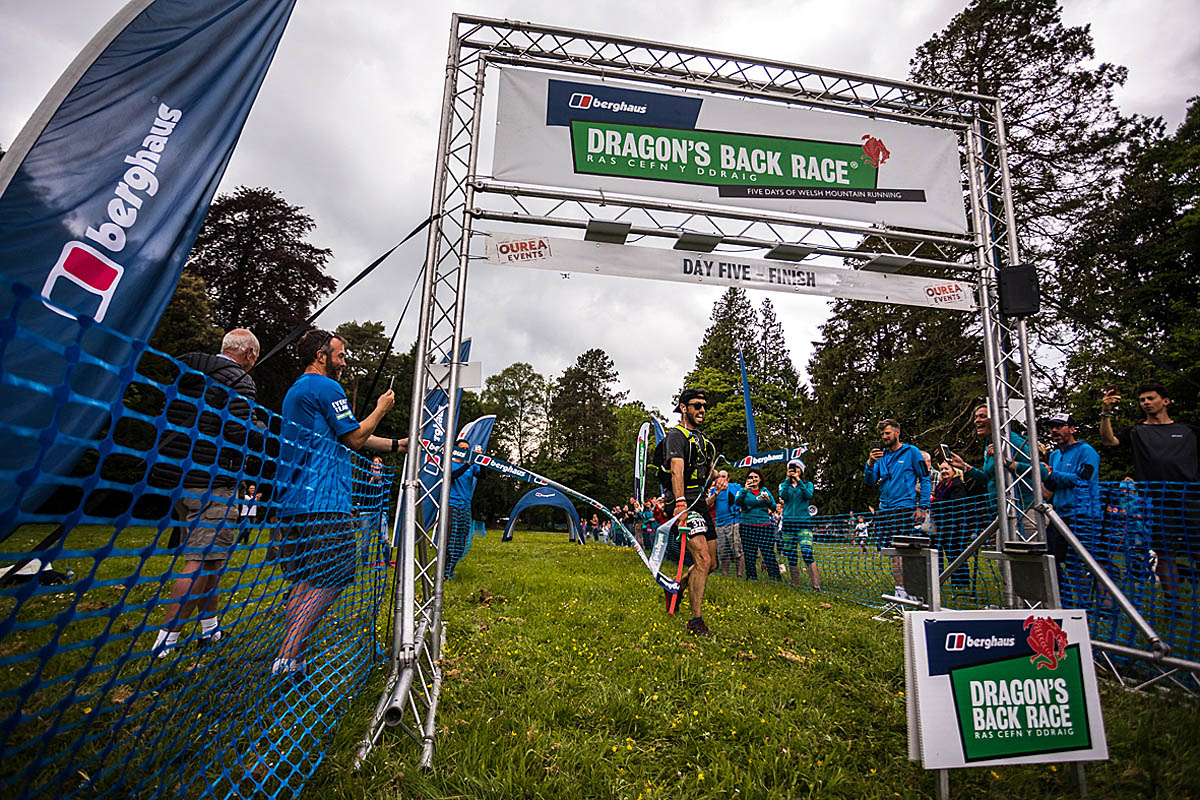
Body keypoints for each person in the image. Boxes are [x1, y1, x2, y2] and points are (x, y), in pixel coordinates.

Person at [272, 329, 407, 676]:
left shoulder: (297, 390)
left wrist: (397, 445)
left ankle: (291, 657)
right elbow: (356, 438)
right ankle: (287, 657)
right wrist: (381, 408)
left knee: (306, 579)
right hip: (323, 502)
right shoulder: (326, 387)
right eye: (340, 355)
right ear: (321, 356)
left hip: (294, 502)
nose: (344, 363)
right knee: (337, 572)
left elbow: (348, 436)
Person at [151, 329, 261, 658]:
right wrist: (261, 427)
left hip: (179, 477)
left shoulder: (188, 372)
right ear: (249, 354)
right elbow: (240, 431)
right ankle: (165, 641)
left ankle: (210, 629)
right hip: (214, 481)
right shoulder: (240, 381)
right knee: (200, 561)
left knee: (212, 559)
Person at [1100, 381, 1200, 602]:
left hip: (1192, 499)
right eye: (1142, 400)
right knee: (1165, 553)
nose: (1145, 402)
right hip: (1158, 502)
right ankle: (1173, 607)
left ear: (1166, 401)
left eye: (1150, 398)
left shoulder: (1189, 431)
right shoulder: (1137, 431)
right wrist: (1105, 413)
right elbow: (1109, 441)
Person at [661, 388, 718, 636]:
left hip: (701, 502)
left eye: (704, 406)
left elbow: (706, 471)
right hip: (683, 501)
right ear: (684, 408)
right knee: (702, 559)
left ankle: (676, 588)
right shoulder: (676, 436)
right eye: (697, 405)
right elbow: (677, 470)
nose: (702, 410)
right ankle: (696, 621)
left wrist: (718, 478)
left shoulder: (702, 440)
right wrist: (680, 503)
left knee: (711, 563)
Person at [863, 419, 930, 599]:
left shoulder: (912, 452)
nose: (884, 437)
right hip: (885, 509)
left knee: (907, 550)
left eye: (887, 433)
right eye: (882, 434)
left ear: (897, 432)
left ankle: (914, 591)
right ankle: (900, 591)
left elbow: (925, 479)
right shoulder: (881, 457)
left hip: (905, 508)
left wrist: (923, 506)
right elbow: (870, 481)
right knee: (892, 550)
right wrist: (870, 463)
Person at [1041, 414, 1102, 606]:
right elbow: (1051, 484)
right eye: (1052, 427)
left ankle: (1086, 605)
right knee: (1049, 558)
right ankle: (1063, 601)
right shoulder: (1054, 455)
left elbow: (1083, 479)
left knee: (1080, 562)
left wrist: (1052, 474)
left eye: (1059, 426)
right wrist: (1042, 475)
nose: (1054, 430)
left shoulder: (1086, 451)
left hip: (1084, 514)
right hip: (1060, 515)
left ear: (1072, 429)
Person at [445, 439, 484, 579]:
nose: (465, 451)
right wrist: (468, 463)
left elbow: (482, 476)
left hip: (466, 506)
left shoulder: (471, 467)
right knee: (451, 539)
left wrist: (482, 461)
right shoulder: (450, 464)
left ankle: (451, 569)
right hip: (452, 505)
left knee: (461, 541)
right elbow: (452, 476)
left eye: (467, 449)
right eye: (462, 448)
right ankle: (444, 571)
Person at [779, 460, 819, 589]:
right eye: (792, 467)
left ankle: (816, 585)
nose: (794, 469)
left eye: (797, 468)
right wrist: (787, 479)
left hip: (803, 523)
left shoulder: (808, 484)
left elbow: (808, 495)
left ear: (801, 470)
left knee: (807, 552)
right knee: (791, 555)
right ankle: (794, 583)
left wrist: (799, 481)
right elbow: (783, 495)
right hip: (788, 524)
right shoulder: (784, 485)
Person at [930, 462, 970, 590]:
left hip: (955, 526)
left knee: (955, 554)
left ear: (954, 470)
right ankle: (938, 579)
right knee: (938, 554)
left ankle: (961, 584)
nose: (943, 471)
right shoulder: (940, 486)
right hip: (941, 525)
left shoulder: (957, 485)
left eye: (946, 469)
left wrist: (934, 501)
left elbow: (953, 504)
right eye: (941, 469)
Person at [736, 468, 780, 582]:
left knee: (768, 553)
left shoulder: (765, 491)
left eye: (756, 477)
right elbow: (737, 502)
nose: (753, 479)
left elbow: (773, 507)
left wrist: (768, 500)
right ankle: (751, 578)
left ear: (760, 479)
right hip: (747, 525)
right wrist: (745, 489)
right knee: (749, 553)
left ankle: (775, 578)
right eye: (750, 477)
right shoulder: (743, 491)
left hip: (764, 525)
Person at [706, 469, 744, 578]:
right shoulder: (714, 490)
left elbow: (743, 496)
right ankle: (725, 574)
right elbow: (708, 504)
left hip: (733, 522)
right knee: (723, 552)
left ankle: (739, 574)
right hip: (719, 524)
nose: (721, 479)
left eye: (723, 476)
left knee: (737, 550)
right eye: (719, 476)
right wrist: (716, 492)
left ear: (728, 478)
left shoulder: (735, 487)